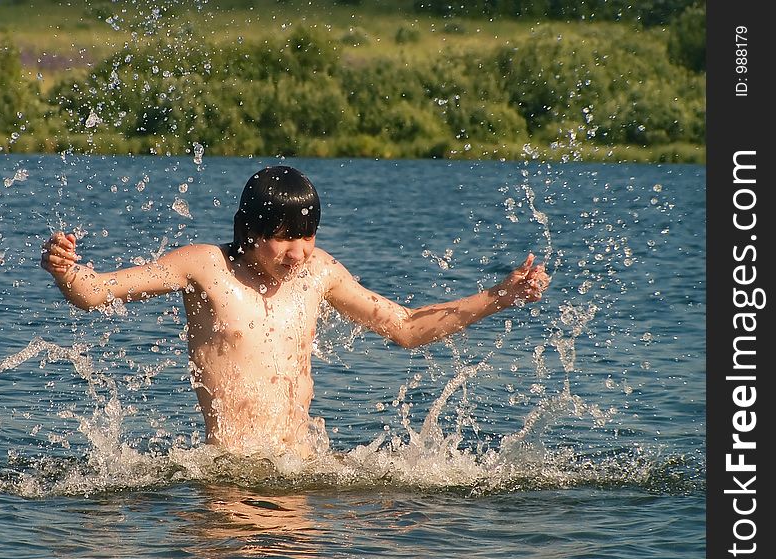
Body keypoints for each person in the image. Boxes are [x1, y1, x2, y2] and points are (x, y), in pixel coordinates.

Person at [41, 165, 550, 457]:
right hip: (230, 475)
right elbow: (96, 292)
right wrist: (67, 271)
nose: (299, 253)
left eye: (307, 236)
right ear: (250, 233)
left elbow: (406, 327)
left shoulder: (319, 272)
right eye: (284, 239)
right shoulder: (205, 268)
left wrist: (501, 295)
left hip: (302, 469)